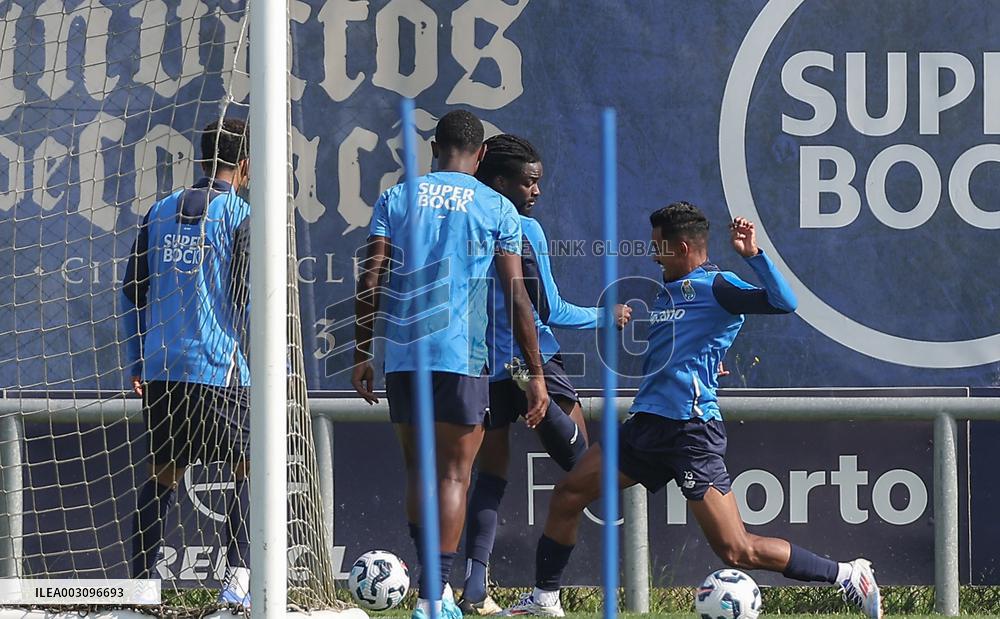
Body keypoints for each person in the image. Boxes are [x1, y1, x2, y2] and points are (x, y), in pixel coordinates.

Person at [501, 203, 883, 619]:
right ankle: (544, 601)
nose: (653, 255)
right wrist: (703, 361)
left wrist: (754, 256)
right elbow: (687, 347)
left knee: (736, 550)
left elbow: (784, 302)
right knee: (568, 495)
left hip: (689, 433)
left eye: (658, 247)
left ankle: (848, 575)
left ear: (682, 248)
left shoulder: (717, 286)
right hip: (646, 427)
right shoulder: (667, 289)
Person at [351, 111, 549, 619]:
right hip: (462, 359)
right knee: (455, 477)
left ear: (434, 147)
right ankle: (433, 596)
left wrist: (361, 353)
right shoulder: (495, 206)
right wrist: (536, 374)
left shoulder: (397, 197)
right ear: (481, 155)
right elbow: (517, 297)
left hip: (403, 359)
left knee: (419, 471)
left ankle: (430, 592)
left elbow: (370, 279)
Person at [457, 134, 631, 615]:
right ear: (499, 181)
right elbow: (549, 309)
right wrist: (605, 316)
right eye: (528, 182)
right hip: (531, 364)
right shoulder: (522, 229)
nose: (536, 191)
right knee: (584, 468)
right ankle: (548, 593)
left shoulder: (465, 224)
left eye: (538, 182)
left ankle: (476, 586)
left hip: (481, 368)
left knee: (489, 477)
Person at [122, 118, 253, 607]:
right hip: (220, 370)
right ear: (246, 165)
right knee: (248, 469)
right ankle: (236, 589)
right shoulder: (239, 214)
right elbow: (248, 297)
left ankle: (141, 591)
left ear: (200, 159)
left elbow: (131, 292)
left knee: (162, 476)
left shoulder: (158, 210)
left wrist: (137, 358)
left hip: (162, 369)